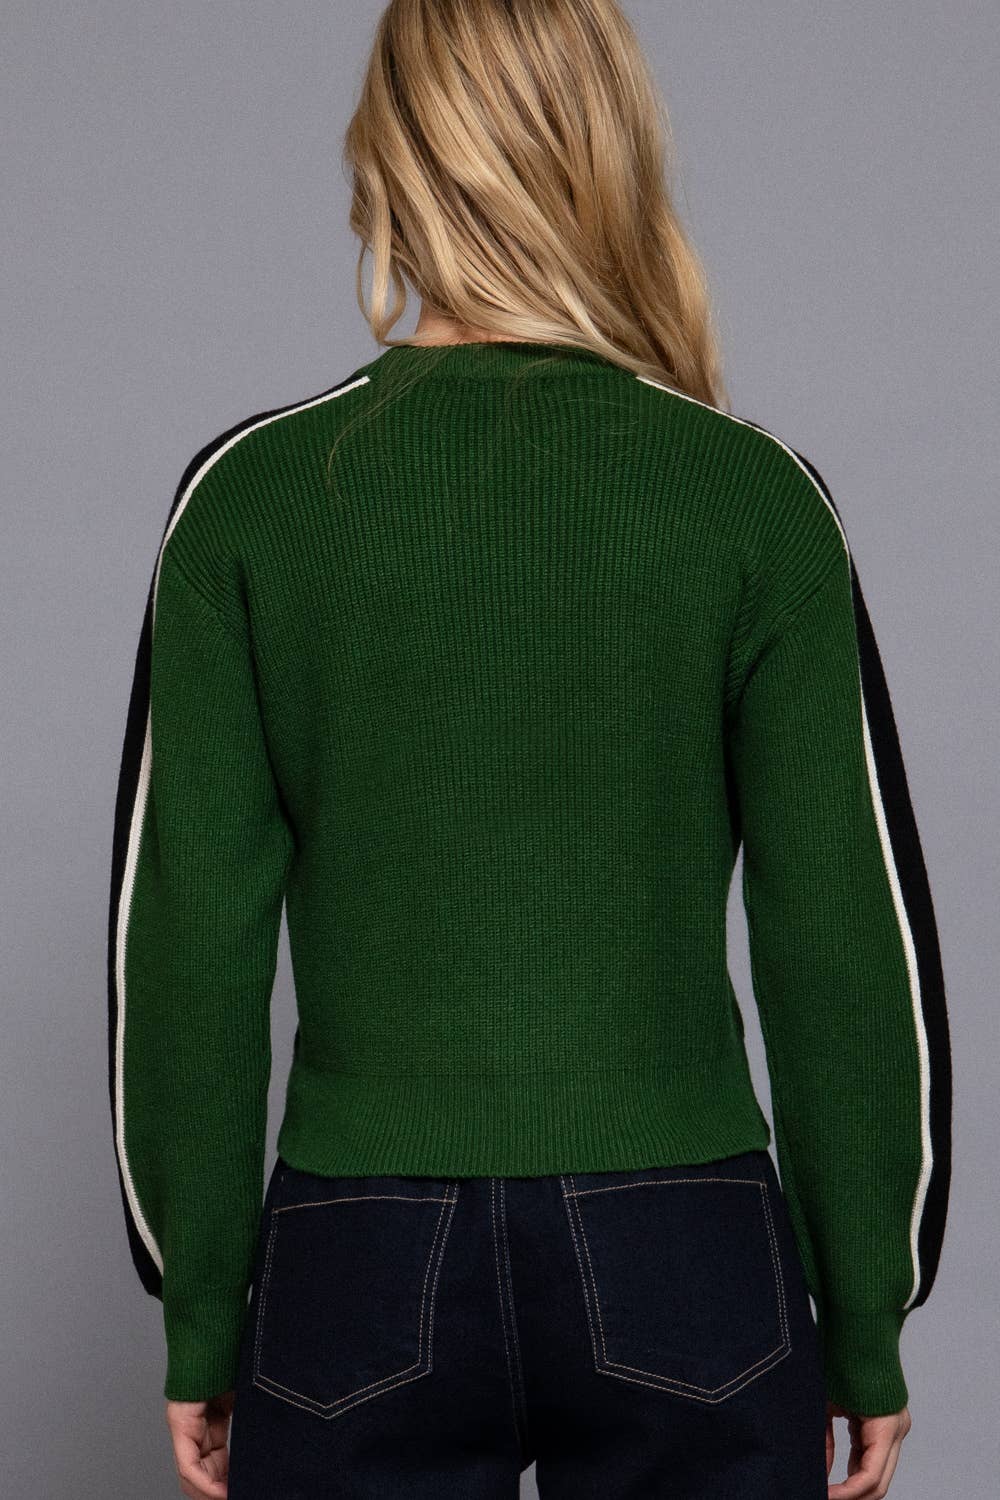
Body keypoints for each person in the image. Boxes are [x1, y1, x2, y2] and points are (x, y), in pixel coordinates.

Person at [106, 1, 951, 1496]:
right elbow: (841, 932)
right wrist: (866, 1315)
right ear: (612, 154)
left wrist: (203, 1308)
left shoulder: (249, 498)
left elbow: (187, 944)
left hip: (358, 1249)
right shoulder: (752, 498)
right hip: (685, 1240)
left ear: (389, 158)